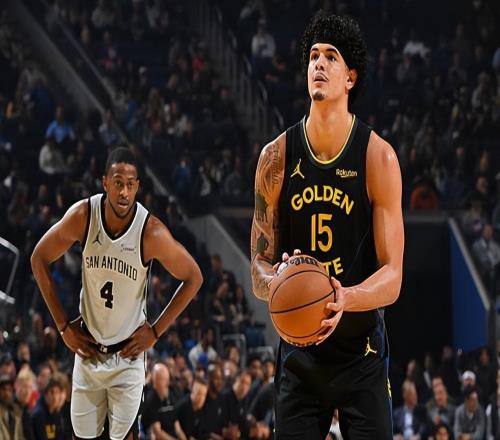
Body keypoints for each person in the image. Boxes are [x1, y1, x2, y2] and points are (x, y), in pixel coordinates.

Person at [250, 12, 404, 438]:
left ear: (350, 77)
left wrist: (343, 297)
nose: (318, 63)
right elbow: (258, 266)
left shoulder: (378, 157)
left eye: (331, 56)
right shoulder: (275, 158)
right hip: (300, 357)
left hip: (360, 352)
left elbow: (393, 277)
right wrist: (278, 280)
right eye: (313, 56)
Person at [31, 147, 203, 439]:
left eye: (130, 184)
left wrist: (156, 331)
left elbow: (193, 277)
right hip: (88, 350)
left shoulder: (151, 232)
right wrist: (62, 326)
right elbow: (39, 258)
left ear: (137, 187)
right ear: (105, 183)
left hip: (127, 355)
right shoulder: (84, 216)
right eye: (118, 183)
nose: (124, 192)